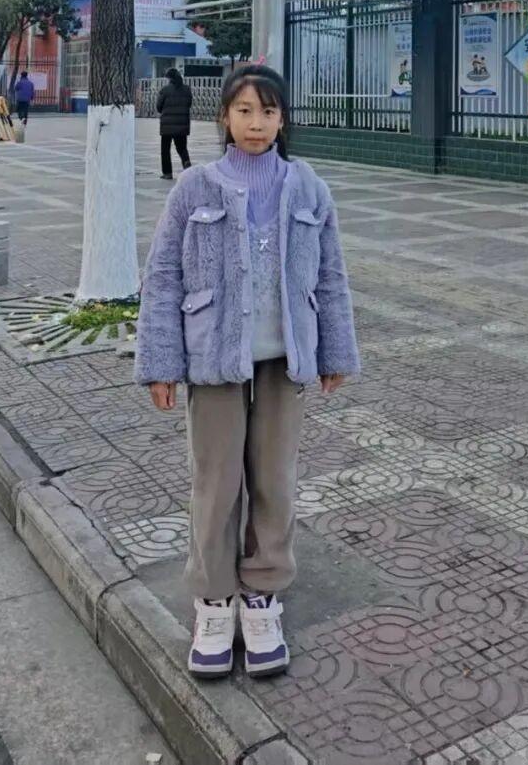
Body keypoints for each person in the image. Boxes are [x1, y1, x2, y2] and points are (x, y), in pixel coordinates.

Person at [134, 64, 360, 680]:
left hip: (285, 359)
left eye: (268, 111)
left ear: (282, 120)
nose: (256, 123)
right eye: (244, 111)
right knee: (216, 481)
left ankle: (262, 595)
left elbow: (331, 276)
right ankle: (214, 600)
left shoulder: (308, 188)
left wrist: (335, 352)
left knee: (274, 479)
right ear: (225, 117)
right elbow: (163, 277)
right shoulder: (195, 188)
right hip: (213, 358)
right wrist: (160, 364)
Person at [157, 68, 193, 180]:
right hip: (182, 125)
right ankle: (186, 163)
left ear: (169, 78)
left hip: (167, 125)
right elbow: (189, 104)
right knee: (182, 148)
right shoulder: (187, 89)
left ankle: (167, 173)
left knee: (165, 150)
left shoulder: (165, 90)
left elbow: (159, 107)